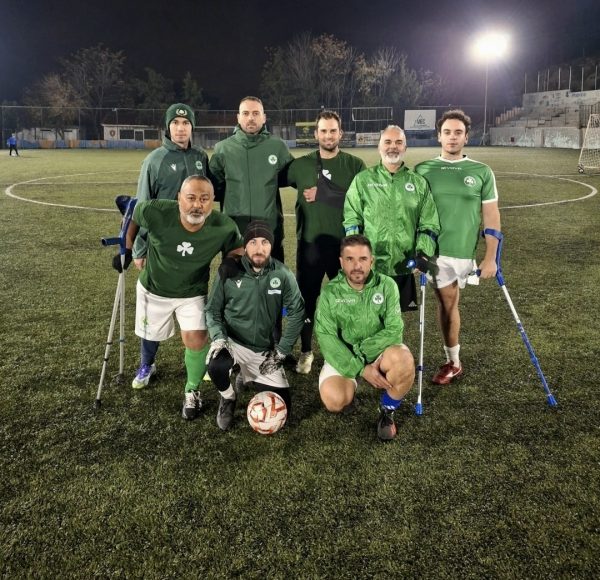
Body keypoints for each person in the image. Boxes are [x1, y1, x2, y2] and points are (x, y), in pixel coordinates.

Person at [112, 175, 243, 420]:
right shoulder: (156, 211)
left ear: (213, 200)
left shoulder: (224, 225)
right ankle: (147, 364)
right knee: (150, 334)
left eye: (204, 199)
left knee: (196, 339)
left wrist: (231, 261)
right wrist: (127, 247)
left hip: (192, 292)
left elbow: (236, 247)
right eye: (191, 198)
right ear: (179, 198)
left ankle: (191, 390)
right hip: (154, 288)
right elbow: (134, 215)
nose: (197, 205)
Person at [415, 109, 501, 384]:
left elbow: (491, 216)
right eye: (447, 132)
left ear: (466, 137)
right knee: (447, 303)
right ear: (439, 136)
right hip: (433, 252)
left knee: (449, 305)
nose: (452, 137)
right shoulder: (423, 169)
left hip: (463, 251)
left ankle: (453, 360)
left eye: (458, 132)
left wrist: (491, 257)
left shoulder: (481, 172)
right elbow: (411, 212)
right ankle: (453, 361)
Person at [130, 102, 210, 390]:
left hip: (194, 246)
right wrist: (139, 249)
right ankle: (147, 363)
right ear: (167, 127)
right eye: (175, 123)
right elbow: (142, 206)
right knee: (154, 308)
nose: (180, 128)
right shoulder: (155, 160)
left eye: (185, 123)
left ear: (192, 127)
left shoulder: (201, 157)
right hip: (161, 246)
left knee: (195, 303)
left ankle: (199, 363)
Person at [286, 110, 366, 374]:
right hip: (310, 244)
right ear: (316, 133)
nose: (328, 135)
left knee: (347, 300)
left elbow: (364, 201)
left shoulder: (354, 165)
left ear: (340, 133)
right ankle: (306, 351)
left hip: (345, 247)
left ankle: (345, 350)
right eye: (323, 130)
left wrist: (325, 194)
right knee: (307, 300)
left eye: (333, 130)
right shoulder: (300, 166)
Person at [205, 220, 305, 431]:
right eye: (253, 242)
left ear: (271, 246)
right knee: (216, 364)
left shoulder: (282, 274)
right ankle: (228, 397)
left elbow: (297, 312)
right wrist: (219, 338)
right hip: (233, 342)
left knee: (284, 408)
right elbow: (212, 310)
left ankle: (245, 375)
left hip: (263, 350)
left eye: (265, 242)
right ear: (245, 246)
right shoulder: (229, 272)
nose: (259, 249)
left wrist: (282, 351)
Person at [314, 235, 415, 441]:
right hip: (345, 354)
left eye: (362, 259)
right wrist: (360, 368)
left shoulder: (387, 285)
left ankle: (387, 410)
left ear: (372, 261)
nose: (357, 266)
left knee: (404, 360)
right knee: (335, 401)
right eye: (350, 259)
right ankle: (350, 389)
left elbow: (394, 330)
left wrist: (361, 355)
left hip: (378, 353)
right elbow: (327, 338)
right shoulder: (330, 292)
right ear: (341, 262)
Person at [343, 125, 440, 312]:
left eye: (398, 142)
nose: (393, 146)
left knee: (395, 320)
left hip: (404, 265)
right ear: (379, 147)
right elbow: (352, 219)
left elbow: (429, 222)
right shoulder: (362, 180)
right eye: (387, 142)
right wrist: (355, 254)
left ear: (405, 147)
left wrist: (422, 253)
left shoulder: (418, 183)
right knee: (367, 318)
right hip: (370, 266)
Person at [209, 96, 294, 263]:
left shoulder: (278, 146)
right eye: (246, 113)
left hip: (270, 230)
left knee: (273, 279)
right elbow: (214, 189)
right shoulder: (222, 149)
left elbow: (292, 177)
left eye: (256, 113)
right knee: (235, 278)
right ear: (238, 117)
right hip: (235, 233)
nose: (250, 118)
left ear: (264, 117)